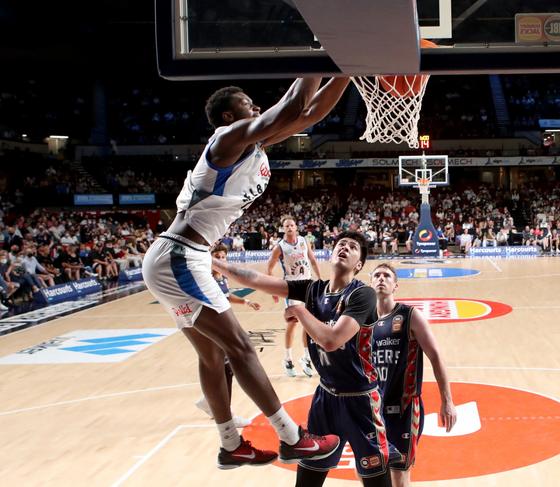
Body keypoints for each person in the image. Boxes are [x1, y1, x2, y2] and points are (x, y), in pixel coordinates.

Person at [141, 76, 350, 469]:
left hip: (176, 258)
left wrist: (346, 71)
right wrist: (322, 58)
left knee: (215, 356)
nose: (255, 108)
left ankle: (230, 444)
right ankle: (292, 437)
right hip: (182, 256)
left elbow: (308, 114)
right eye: (248, 104)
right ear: (228, 115)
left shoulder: (251, 146)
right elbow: (289, 108)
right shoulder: (227, 139)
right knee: (240, 349)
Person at [212, 232, 393, 487]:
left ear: (359, 265)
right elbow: (256, 279)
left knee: (377, 481)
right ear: (330, 254)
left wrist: (299, 310)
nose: (345, 248)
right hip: (325, 398)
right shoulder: (312, 289)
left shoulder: (362, 295)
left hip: (361, 399)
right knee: (307, 480)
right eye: (341, 244)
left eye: (352, 248)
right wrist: (213, 262)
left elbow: (332, 340)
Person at [370, 263, 456, 487]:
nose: (381, 279)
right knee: (371, 473)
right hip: (372, 411)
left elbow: (436, 356)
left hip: (404, 410)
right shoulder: (363, 321)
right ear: (371, 283)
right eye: (377, 275)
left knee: (399, 475)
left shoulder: (409, 316)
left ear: (395, 285)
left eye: (386, 276)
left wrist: (447, 401)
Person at [196, 244, 261, 428]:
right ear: (211, 258)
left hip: (219, 325)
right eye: (217, 256)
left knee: (220, 366)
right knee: (226, 366)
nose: (221, 259)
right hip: (211, 325)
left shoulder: (221, 276)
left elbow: (227, 297)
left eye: (223, 256)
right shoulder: (205, 277)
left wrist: (247, 301)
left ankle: (208, 401)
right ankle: (226, 414)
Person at [267, 217, 321, 377]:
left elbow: (312, 259)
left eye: (292, 225)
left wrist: (320, 279)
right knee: (292, 323)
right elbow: (269, 268)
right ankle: (288, 358)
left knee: (308, 323)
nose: (289, 227)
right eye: (286, 226)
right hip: (291, 287)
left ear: (296, 227)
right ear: (283, 229)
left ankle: (306, 357)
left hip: (308, 285)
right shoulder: (279, 247)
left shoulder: (304, 241)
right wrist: (273, 291)